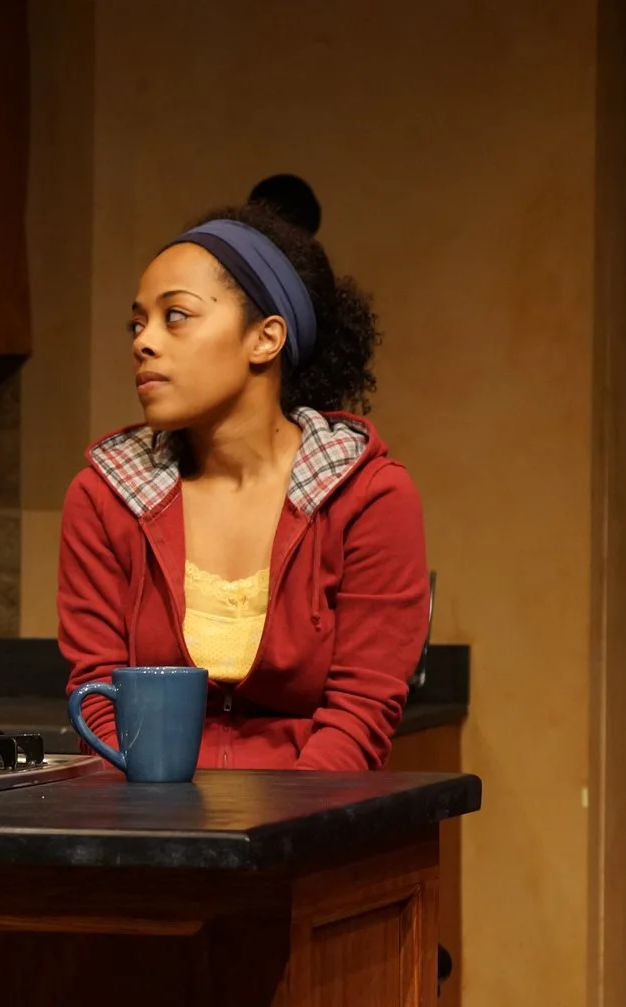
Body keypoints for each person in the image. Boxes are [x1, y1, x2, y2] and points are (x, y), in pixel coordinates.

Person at [57, 187, 428, 769]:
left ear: (265, 338)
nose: (144, 342)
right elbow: (98, 697)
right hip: (148, 815)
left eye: (176, 316)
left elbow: (361, 713)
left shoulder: (368, 496)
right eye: (137, 324)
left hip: (313, 814)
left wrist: (285, 822)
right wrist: (150, 816)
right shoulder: (105, 497)